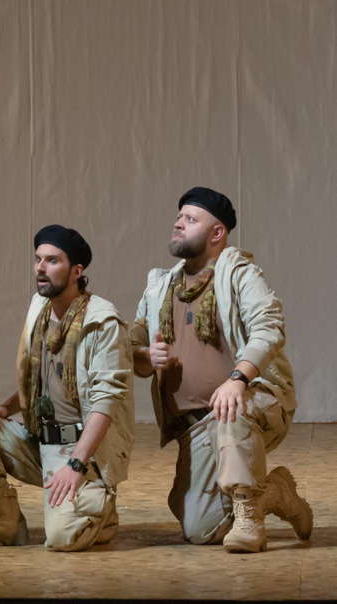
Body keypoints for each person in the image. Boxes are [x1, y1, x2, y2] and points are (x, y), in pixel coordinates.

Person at [130, 187, 312, 552]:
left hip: (252, 403)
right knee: (197, 526)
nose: (178, 223)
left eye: (190, 219)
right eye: (179, 217)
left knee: (230, 406)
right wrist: (147, 356)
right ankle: (276, 493)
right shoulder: (160, 286)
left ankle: (248, 512)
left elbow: (269, 325)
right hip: (194, 426)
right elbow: (134, 348)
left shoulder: (239, 273)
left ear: (217, 233)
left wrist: (238, 379)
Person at [0, 225, 134, 551]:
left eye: (52, 260)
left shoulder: (102, 322)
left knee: (62, 539)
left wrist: (76, 465)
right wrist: (8, 408)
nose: (41, 268)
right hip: (39, 439)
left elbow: (105, 404)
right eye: (38, 259)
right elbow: (44, 378)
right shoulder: (40, 308)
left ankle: (100, 509)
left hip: (80, 453)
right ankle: (4, 517)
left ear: (77, 271)